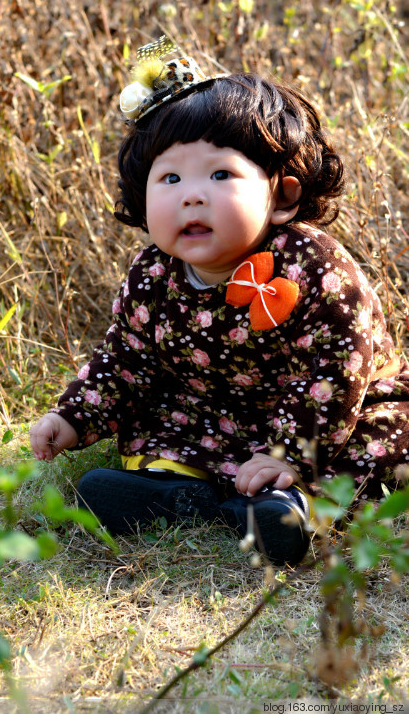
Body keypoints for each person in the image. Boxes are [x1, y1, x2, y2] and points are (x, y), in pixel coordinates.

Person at [30, 37, 409, 566]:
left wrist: (290, 455)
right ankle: (176, 493)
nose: (192, 194)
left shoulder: (313, 264)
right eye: (169, 177)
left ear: (282, 197)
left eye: (219, 174)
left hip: (326, 415)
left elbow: (337, 372)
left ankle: (288, 505)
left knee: (381, 441)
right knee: (168, 427)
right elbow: (125, 362)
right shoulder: (153, 274)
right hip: (213, 415)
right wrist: (72, 417)